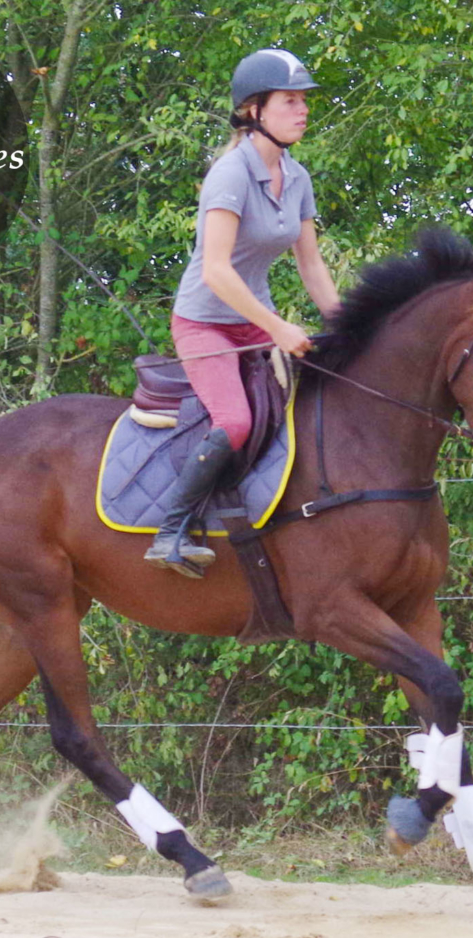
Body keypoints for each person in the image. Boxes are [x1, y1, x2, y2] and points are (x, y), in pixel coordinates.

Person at [144, 48, 340, 578]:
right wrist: (278, 327)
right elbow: (216, 272)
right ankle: (170, 532)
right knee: (235, 420)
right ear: (255, 110)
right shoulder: (229, 175)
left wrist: (346, 323)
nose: (302, 111)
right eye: (290, 101)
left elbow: (312, 264)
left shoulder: (296, 178)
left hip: (253, 319)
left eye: (304, 102)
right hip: (204, 320)